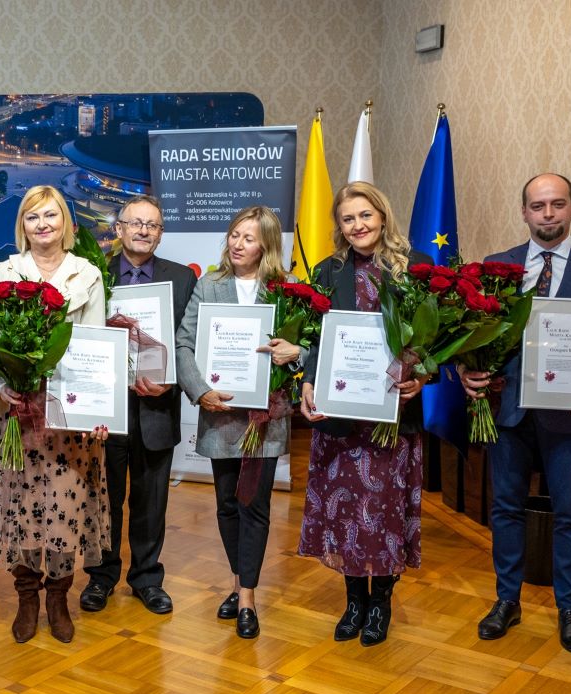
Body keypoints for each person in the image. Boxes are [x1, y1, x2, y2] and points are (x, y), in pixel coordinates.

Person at [460, 173, 571, 655]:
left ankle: (570, 608)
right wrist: (465, 369)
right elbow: (470, 332)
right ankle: (507, 599)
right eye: (538, 206)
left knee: (570, 515)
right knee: (505, 509)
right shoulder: (495, 267)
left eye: (557, 204)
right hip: (506, 411)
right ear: (524, 212)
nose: (548, 214)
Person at [0, 185, 111, 644]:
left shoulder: (87, 274)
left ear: (66, 223)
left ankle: (58, 596)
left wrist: (97, 409)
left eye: (51, 215)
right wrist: (0, 388)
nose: (43, 224)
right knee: (20, 505)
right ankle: (27, 595)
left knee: (66, 505)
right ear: (23, 226)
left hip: (68, 420)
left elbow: (96, 348)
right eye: (33, 217)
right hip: (16, 416)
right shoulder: (2, 273)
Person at [298, 182, 431, 647]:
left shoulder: (415, 268)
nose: (358, 225)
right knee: (346, 512)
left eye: (365, 215)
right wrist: (308, 381)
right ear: (339, 225)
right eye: (348, 218)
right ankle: (354, 600)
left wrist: (421, 376)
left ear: (383, 215)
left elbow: (429, 341)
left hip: (391, 418)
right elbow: (313, 337)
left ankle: (382, 603)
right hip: (340, 418)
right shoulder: (327, 270)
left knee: (386, 512)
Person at [175, 206, 303, 638]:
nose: (237, 243)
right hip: (220, 413)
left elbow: (306, 345)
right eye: (233, 235)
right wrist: (199, 390)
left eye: (248, 238)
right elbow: (184, 343)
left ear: (266, 244)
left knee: (255, 505)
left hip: (265, 416)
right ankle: (238, 582)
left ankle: (246, 596)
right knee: (228, 503)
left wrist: (296, 353)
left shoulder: (286, 290)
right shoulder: (209, 285)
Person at [80, 195, 195, 616]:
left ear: (161, 233)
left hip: (157, 409)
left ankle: (147, 578)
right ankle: (101, 576)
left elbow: (191, 345)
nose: (144, 231)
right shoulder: (94, 276)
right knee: (103, 499)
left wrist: (171, 382)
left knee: (151, 502)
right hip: (105, 410)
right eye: (136, 223)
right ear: (120, 228)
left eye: (153, 226)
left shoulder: (182, 280)